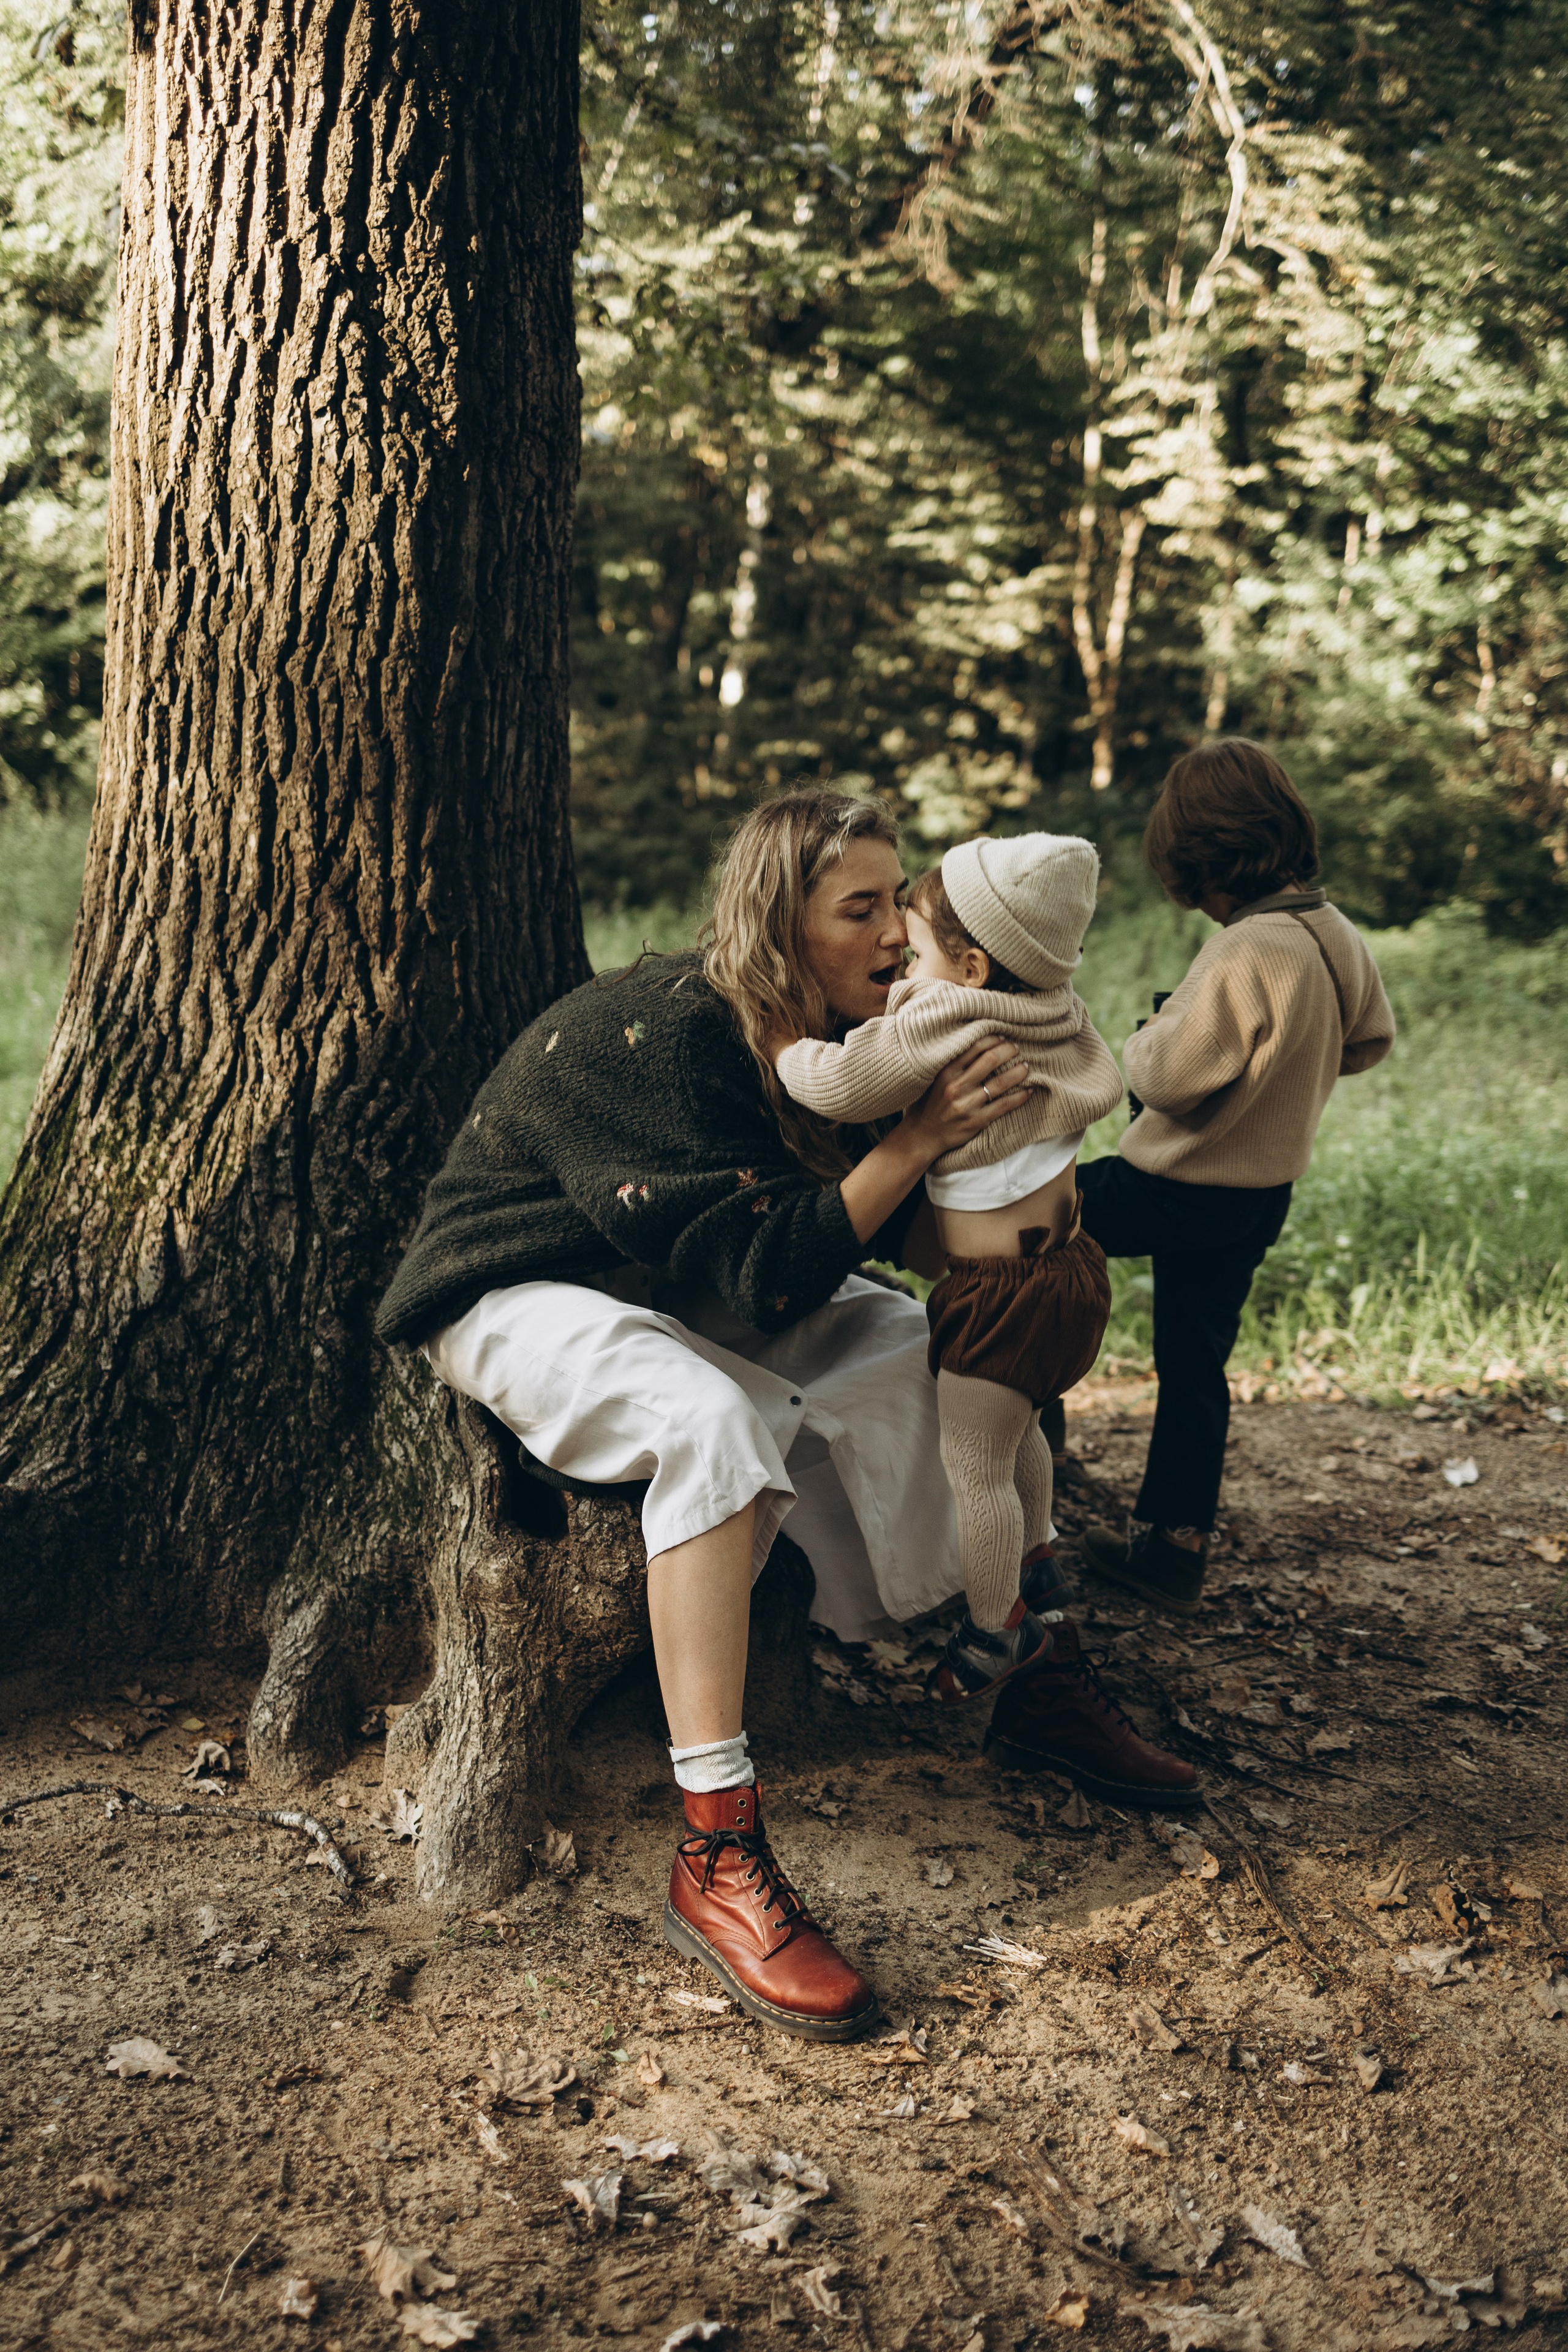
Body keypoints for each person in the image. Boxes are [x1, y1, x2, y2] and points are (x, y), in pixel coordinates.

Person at [377, 790, 1197, 2045]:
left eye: (894, 902)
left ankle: (1028, 1661)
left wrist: (1025, 1213)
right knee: (707, 1420)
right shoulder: (664, 1033)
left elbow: (871, 1243)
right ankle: (715, 1850)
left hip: (691, 1281)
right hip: (525, 1287)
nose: (887, 933)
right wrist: (919, 1136)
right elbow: (763, 1269)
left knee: (928, 1353)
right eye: (854, 908)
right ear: (780, 921)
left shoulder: (870, 1037)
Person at [775, 833, 1123, 1704]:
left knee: (975, 1468)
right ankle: (1040, 1562)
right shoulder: (1054, 1009)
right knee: (1026, 1427)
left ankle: (995, 1625)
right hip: (1074, 1274)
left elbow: (845, 1087)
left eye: (917, 950)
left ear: (970, 968)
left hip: (997, 1293)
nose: (899, 964)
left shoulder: (945, 1018)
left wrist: (787, 1047)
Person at [1070, 738, 1396, 1616]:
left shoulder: (1249, 949)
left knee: (1033, 1219)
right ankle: (1173, 1546)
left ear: (1206, 858)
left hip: (1178, 1187)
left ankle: (1020, 1438)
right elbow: (1371, 1039)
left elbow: (1161, 1078)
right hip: (1260, 1198)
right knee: (1193, 1363)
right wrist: (1289, 1075)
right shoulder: (1334, 933)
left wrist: (1152, 1030)